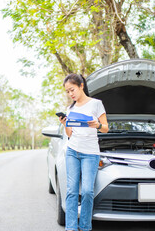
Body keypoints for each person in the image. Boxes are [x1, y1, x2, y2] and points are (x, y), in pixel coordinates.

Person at [58, 73, 109, 231]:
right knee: (72, 191)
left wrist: (97, 125)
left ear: (81, 86)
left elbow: (106, 128)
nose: (70, 94)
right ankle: (71, 228)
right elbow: (69, 134)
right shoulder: (70, 108)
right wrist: (65, 123)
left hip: (90, 154)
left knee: (87, 191)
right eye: (67, 91)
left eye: (72, 89)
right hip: (72, 151)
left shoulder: (96, 104)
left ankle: (85, 226)